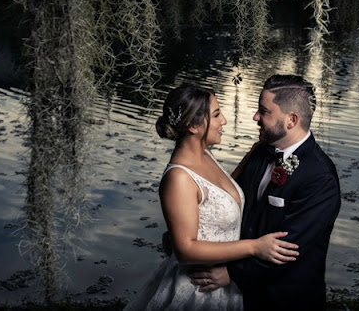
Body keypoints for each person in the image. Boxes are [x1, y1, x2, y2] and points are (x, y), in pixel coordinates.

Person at [124, 84, 299, 311]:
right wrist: (255, 247)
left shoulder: (204, 155)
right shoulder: (178, 178)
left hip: (224, 284)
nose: (224, 121)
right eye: (216, 114)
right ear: (193, 125)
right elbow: (185, 251)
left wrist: (250, 158)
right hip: (197, 290)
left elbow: (219, 195)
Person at [189, 74, 342, 311]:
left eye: (264, 111)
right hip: (241, 298)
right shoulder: (261, 152)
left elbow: (287, 251)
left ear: (291, 120)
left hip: (285, 301)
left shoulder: (320, 178)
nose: (255, 117)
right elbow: (231, 206)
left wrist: (231, 273)